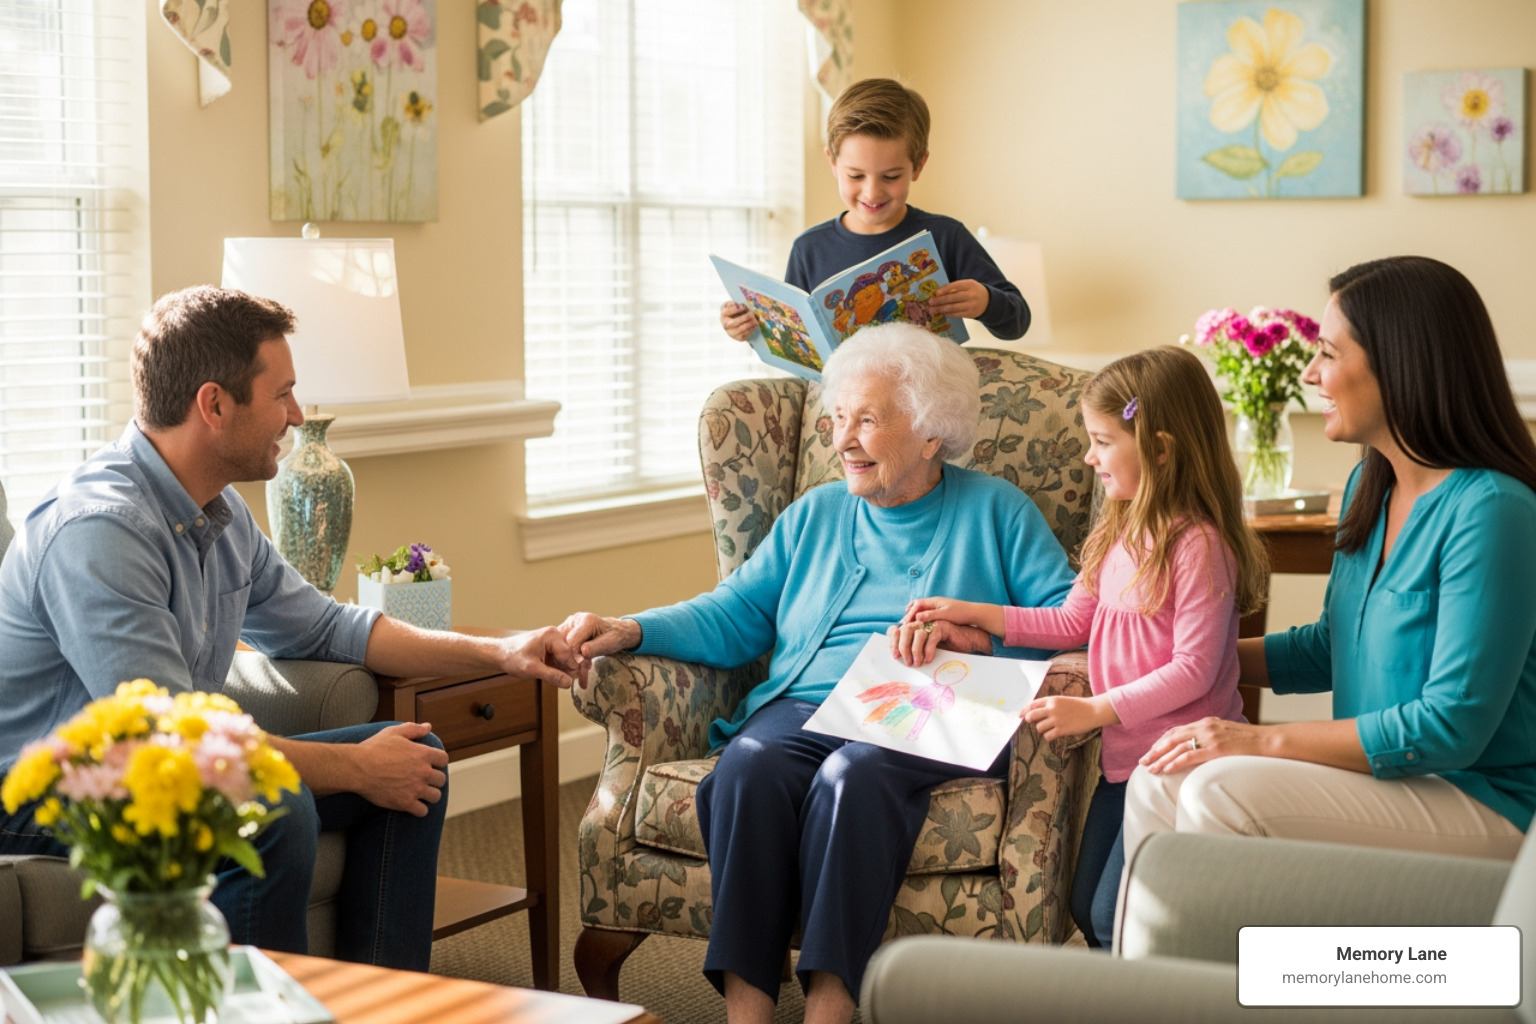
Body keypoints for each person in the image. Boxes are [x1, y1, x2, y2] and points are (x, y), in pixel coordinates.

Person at [0, 286, 578, 971]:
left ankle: (381, 1004)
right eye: (283, 394)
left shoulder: (217, 510)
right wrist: (353, 767)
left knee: (416, 760)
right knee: (275, 804)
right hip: (40, 790)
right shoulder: (100, 531)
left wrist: (504, 650)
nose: (298, 416)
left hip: (157, 764)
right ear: (214, 405)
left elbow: (327, 628)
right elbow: (171, 734)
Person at [558, 323, 1075, 1024]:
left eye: (867, 419)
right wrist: (633, 627)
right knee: (747, 766)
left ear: (930, 432)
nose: (841, 440)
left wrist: (978, 642)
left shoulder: (998, 512)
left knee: (853, 779)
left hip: (926, 707)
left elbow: (1071, 626)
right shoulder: (816, 514)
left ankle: (829, 1007)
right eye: (837, 419)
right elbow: (735, 612)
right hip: (804, 705)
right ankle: (750, 1012)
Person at [1124, 256, 1536, 881]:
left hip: (1482, 799)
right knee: (1161, 776)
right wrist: (1174, 659)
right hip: (1392, 782)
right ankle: (1158, 982)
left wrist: (1261, 740)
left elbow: (1453, 725)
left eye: (1327, 353)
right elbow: (1328, 648)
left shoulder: (1493, 510)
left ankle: (1235, 978)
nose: (1311, 373)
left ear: (1401, 364)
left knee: (1220, 792)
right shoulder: (1367, 488)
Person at [899, 346, 1267, 950]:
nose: (1089, 456)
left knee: (1113, 916)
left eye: (1101, 441)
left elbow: (1195, 670)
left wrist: (1095, 710)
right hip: (1128, 762)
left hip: (1184, 762)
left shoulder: (1197, 546)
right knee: (1084, 905)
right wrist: (975, 612)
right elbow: (1072, 620)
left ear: (1160, 448)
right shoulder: (1119, 527)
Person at [720, 78, 1029, 345]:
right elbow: (800, 339)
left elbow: (1018, 321)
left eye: (891, 177)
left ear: (918, 165)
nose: (872, 192)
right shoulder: (809, 249)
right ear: (832, 163)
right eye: (855, 176)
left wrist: (986, 302)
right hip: (843, 403)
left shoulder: (946, 237)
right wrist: (751, 328)